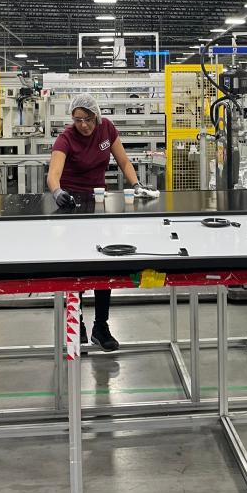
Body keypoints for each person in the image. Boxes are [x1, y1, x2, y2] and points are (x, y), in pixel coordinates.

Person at [46, 93, 150, 351]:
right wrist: (58, 193)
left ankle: (100, 327)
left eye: (87, 119)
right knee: (77, 268)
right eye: (78, 120)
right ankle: (77, 322)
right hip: (72, 205)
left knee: (105, 266)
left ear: (97, 116)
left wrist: (136, 185)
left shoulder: (107, 128)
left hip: (99, 204)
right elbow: (53, 175)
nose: (83, 125)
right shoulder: (66, 138)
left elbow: (124, 161)